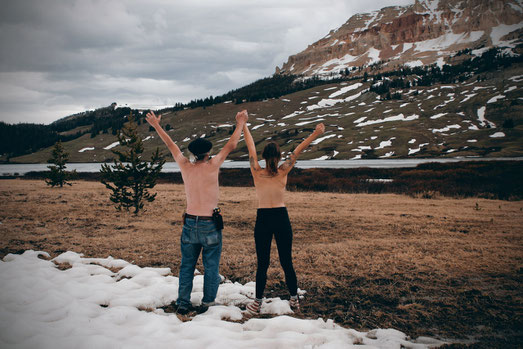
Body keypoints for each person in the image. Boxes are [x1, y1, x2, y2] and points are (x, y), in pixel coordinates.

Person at [146, 109, 248, 315]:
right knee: (211, 266)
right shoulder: (212, 165)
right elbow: (232, 145)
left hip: (190, 223)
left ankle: (183, 302)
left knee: (186, 266)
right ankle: (208, 302)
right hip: (210, 223)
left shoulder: (185, 166)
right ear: (208, 153)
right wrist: (240, 123)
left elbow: (170, 145)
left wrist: (157, 125)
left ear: (193, 154)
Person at [242, 116, 325, 315]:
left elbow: (250, 146)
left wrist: (243, 124)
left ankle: (258, 302)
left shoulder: (256, 171)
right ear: (279, 158)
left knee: (263, 263)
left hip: (263, 218)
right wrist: (315, 133)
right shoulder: (283, 170)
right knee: (286, 261)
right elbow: (298, 150)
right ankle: (294, 300)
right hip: (281, 217)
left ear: (263, 157)